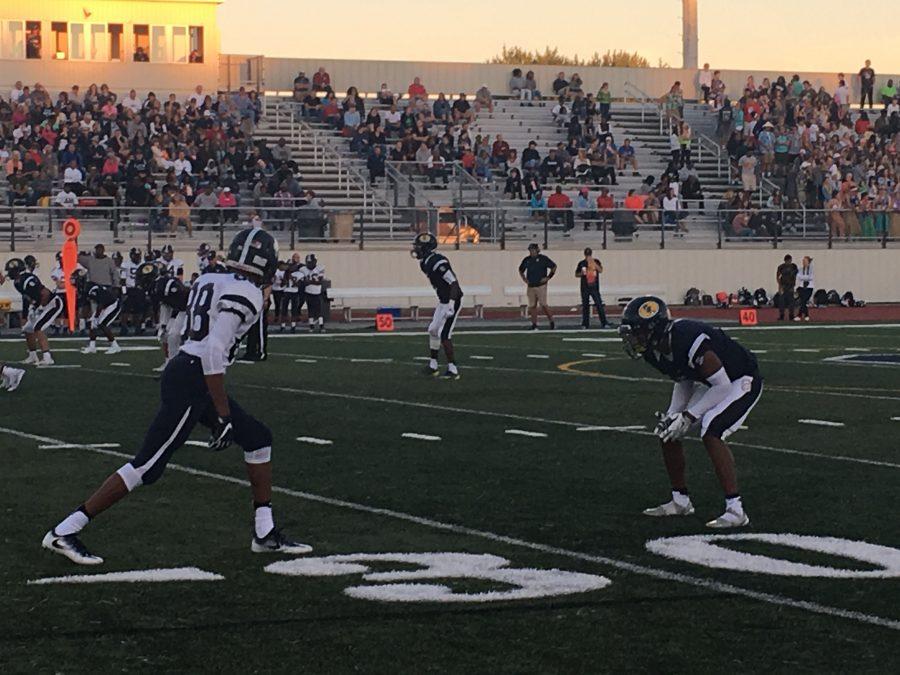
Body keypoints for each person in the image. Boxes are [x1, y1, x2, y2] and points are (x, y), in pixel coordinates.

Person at [42, 227, 312, 565]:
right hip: (193, 378)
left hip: (187, 370)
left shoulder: (210, 278)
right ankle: (65, 530)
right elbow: (213, 349)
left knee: (258, 439)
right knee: (147, 466)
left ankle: (264, 532)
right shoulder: (246, 291)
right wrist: (223, 412)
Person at [618, 296, 762, 529]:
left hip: (740, 379)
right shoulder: (653, 350)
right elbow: (683, 378)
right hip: (710, 381)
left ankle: (736, 509)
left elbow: (723, 385)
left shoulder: (687, 337)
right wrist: (674, 414)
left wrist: (689, 416)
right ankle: (680, 500)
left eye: (638, 331)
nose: (634, 337)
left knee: (712, 430)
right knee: (668, 430)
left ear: (654, 329)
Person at [413, 232, 462, 380]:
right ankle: (433, 365)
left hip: (452, 300)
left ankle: (453, 369)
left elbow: (454, 283)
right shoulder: (426, 262)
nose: (416, 250)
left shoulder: (437, 262)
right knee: (433, 330)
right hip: (444, 301)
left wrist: (452, 305)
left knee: (444, 334)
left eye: (419, 247)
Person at [4, 258, 61, 366]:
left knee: (38, 328)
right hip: (40, 306)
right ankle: (32, 356)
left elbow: (43, 294)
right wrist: (25, 315)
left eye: (10, 271)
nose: (8, 273)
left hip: (52, 304)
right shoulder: (17, 283)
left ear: (17, 270)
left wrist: (35, 307)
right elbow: (26, 298)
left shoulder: (28, 279)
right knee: (28, 329)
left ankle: (47, 357)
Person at [137, 262, 189, 372]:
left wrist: (170, 321)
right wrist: (162, 324)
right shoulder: (155, 287)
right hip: (175, 308)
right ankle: (169, 362)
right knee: (165, 335)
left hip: (188, 309)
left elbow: (182, 299)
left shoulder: (162, 285)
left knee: (174, 336)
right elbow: (164, 305)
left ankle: (175, 366)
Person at [79, 276, 123, 355]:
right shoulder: (86, 288)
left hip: (112, 305)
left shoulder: (92, 289)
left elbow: (100, 303)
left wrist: (96, 316)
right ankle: (92, 347)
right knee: (93, 323)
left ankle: (115, 346)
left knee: (102, 324)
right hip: (105, 305)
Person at [518, 243, 556, 331]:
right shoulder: (527, 260)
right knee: (532, 305)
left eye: (533, 250)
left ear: (537, 250)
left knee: (543, 304)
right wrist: (524, 279)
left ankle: (551, 321)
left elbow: (554, 267)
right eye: (530, 250)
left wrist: (548, 277)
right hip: (531, 285)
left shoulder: (543, 259)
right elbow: (521, 270)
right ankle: (534, 324)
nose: (531, 252)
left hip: (541, 285)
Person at [575, 248, 609, 329]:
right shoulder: (582, 263)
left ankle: (604, 322)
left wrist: (592, 262)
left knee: (599, 305)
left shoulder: (596, 261)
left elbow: (600, 270)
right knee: (585, 305)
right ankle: (585, 324)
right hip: (585, 286)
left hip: (594, 286)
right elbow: (577, 274)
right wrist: (584, 273)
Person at [300, 254, 325, 333]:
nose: (309, 264)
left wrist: (309, 282)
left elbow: (319, 282)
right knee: (310, 310)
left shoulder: (319, 268)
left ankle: (321, 326)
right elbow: (303, 282)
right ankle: (311, 326)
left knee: (319, 310)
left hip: (317, 292)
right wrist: (310, 282)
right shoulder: (303, 269)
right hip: (308, 292)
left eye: (310, 262)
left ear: (315, 262)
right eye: (308, 262)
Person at [776, 254, 798, 321]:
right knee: (782, 302)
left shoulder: (794, 266)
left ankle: (791, 315)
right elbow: (778, 276)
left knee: (791, 302)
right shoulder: (781, 267)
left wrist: (794, 286)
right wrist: (780, 286)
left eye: (790, 261)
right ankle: (782, 315)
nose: (789, 262)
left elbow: (795, 276)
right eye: (788, 261)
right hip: (783, 286)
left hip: (790, 286)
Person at [796, 256, 814, 322]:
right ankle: (804, 315)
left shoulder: (811, 269)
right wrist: (805, 277)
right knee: (802, 301)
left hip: (809, 287)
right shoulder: (800, 269)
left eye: (805, 261)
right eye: (803, 261)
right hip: (801, 287)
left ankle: (801, 315)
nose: (803, 262)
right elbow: (799, 277)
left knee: (804, 301)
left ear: (808, 262)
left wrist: (803, 277)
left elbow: (810, 277)